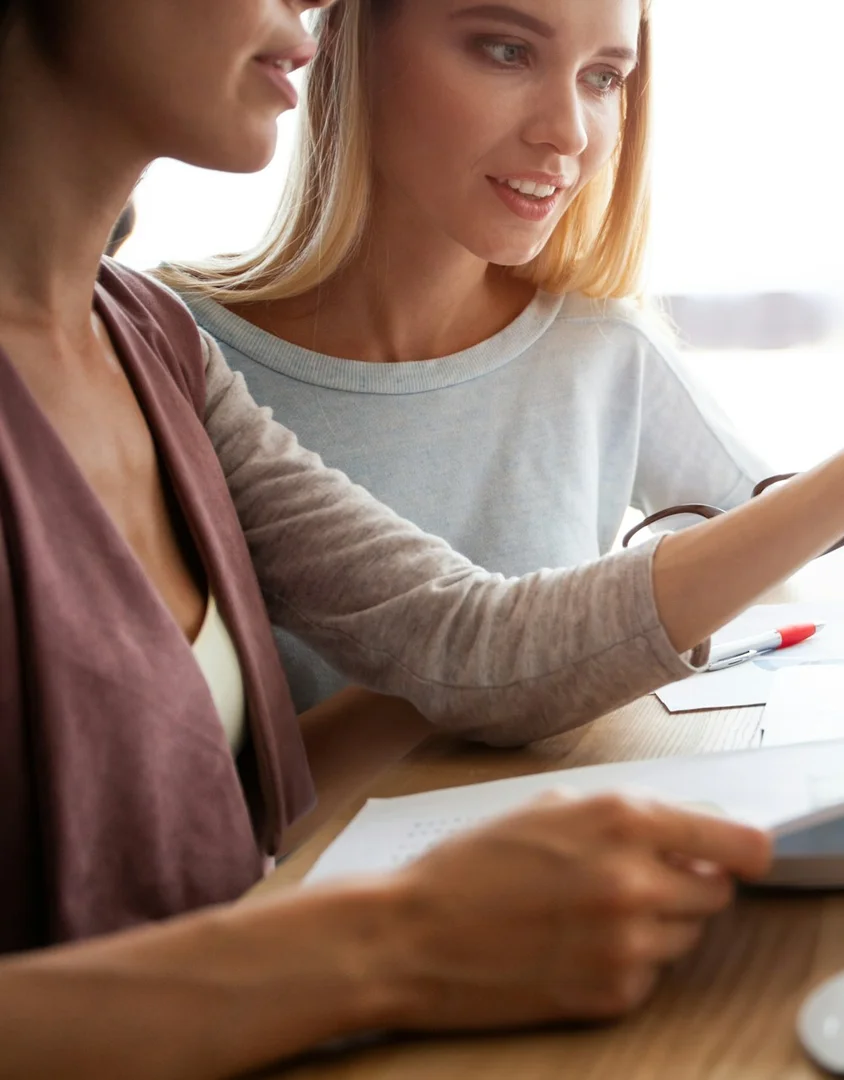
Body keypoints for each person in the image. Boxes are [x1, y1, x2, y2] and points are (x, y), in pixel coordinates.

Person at [0, 0, 844, 1075]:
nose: (305, 5)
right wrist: (392, 946)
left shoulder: (144, 348)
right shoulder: (191, 330)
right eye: (503, 48)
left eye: (608, 76)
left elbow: (464, 638)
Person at [161, 0, 773, 712]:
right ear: (346, 43)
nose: (568, 132)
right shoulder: (169, 355)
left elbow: (782, 552)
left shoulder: (602, 351)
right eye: (506, 51)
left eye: (604, 78)